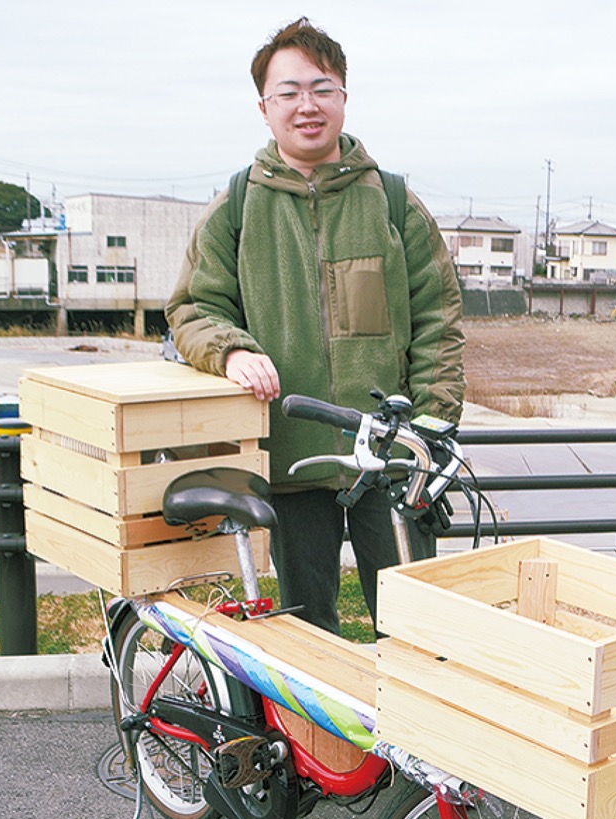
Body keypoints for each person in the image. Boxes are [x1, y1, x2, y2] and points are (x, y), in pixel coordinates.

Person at [166, 18, 464, 635]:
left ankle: (409, 734)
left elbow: (439, 319)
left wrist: (431, 425)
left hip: (392, 455)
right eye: (290, 92)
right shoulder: (238, 204)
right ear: (265, 108)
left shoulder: (393, 200)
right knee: (307, 627)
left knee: (416, 627)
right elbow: (193, 307)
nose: (308, 105)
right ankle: (314, 737)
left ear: (344, 98)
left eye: (322, 88)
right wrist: (230, 352)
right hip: (291, 452)